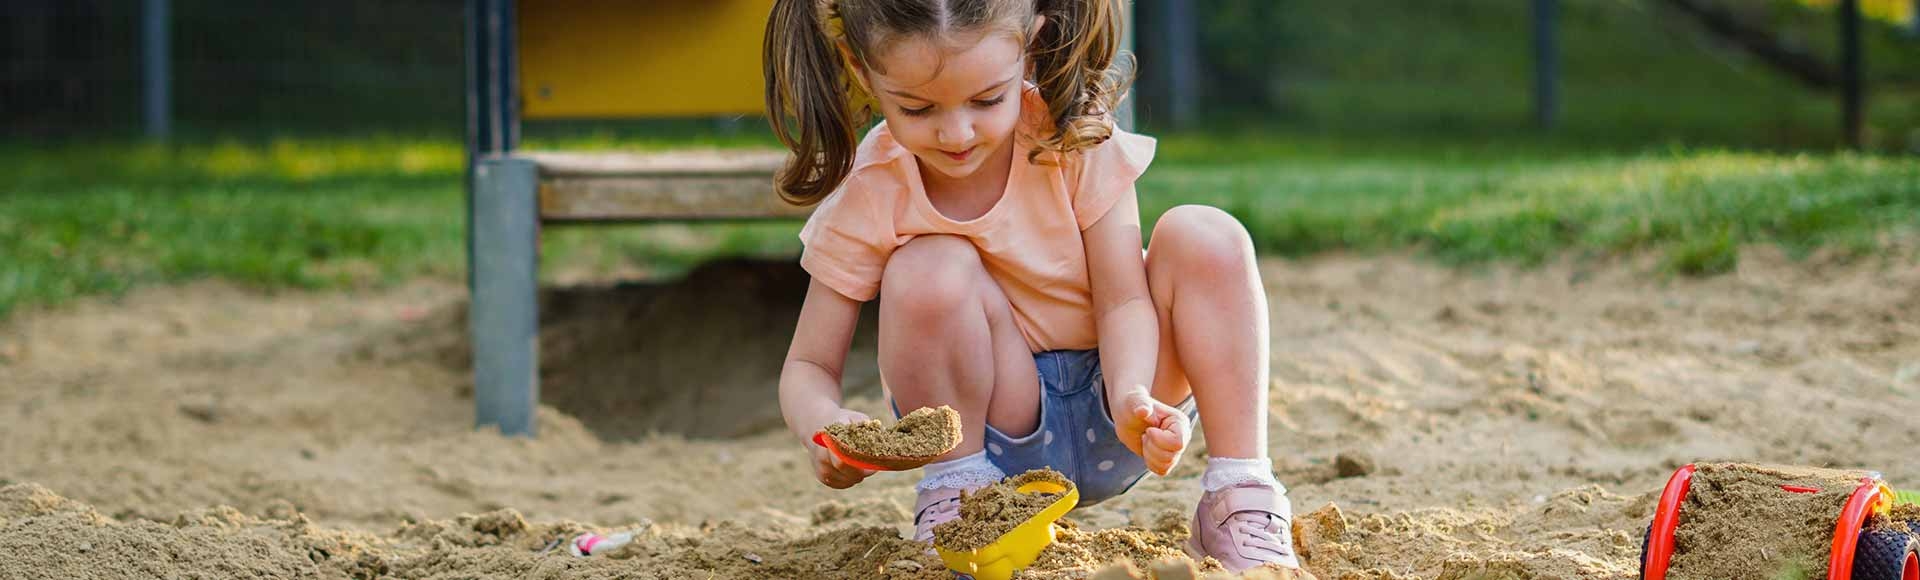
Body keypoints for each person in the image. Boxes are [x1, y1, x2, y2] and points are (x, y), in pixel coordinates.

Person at [765, 0, 1304, 573]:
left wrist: (1129, 395)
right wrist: (823, 426)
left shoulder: (1070, 133)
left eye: (987, 99)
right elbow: (808, 368)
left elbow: (1123, 298)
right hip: (997, 436)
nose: (957, 133)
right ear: (858, 66)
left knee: (1207, 235)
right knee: (927, 266)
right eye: (917, 108)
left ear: (1030, 43)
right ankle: (958, 497)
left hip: (1123, 406)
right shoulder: (873, 190)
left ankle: (1239, 494)